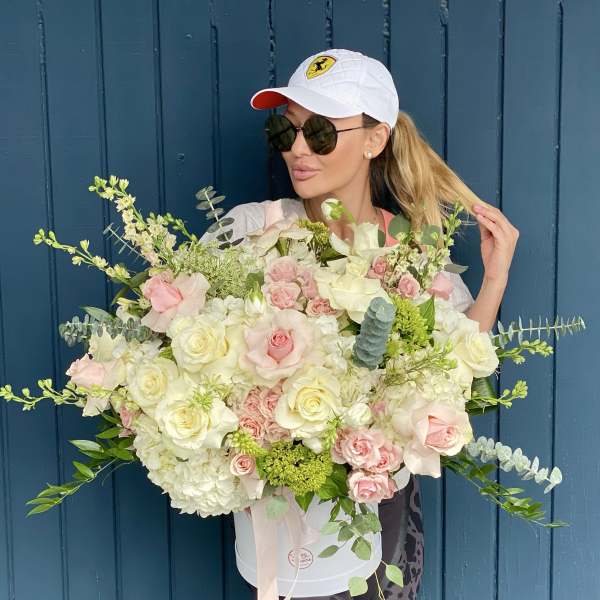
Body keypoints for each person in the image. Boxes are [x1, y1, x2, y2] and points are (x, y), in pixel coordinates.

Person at [202, 48, 519, 600]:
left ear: (375, 139)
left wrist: (494, 280)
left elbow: (455, 373)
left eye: (320, 133)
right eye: (286, 130)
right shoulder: (249, 231)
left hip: (378, 501)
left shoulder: (415, 251)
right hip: (278, 507)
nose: (297, 149)